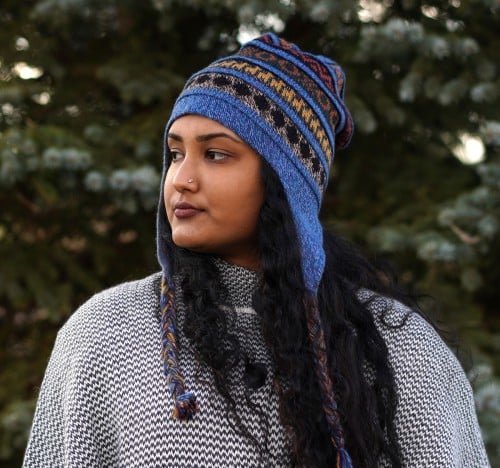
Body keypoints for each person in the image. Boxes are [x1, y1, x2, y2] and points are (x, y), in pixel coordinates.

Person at [23, 33, 489, 468]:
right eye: (176, 152)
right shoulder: (105, 334)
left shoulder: (400, 350)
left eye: (216, 154)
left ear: (284, 184)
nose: (181, 179)